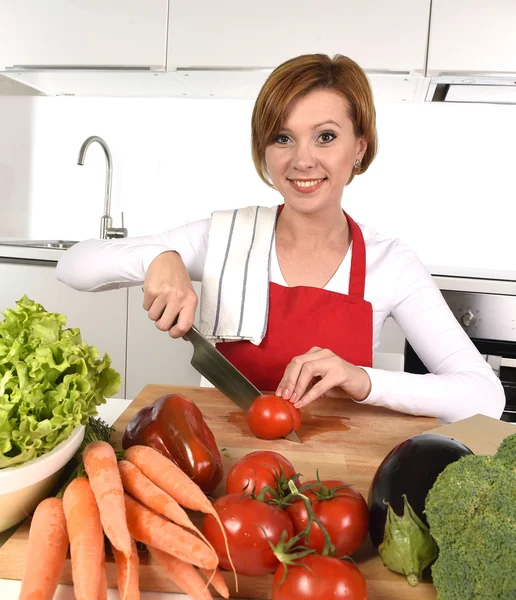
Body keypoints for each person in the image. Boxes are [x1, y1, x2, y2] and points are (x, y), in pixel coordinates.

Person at [56, 54, 505, 424]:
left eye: (325, 136)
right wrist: (160, 256)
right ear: (264, 151)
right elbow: (73, 265)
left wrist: (364, 379)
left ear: (360, 149)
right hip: (224, 465)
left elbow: (486, 396)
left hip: (339, 476)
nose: (302, 159)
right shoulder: (224, 237)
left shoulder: (391, 264)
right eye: (283, 137)